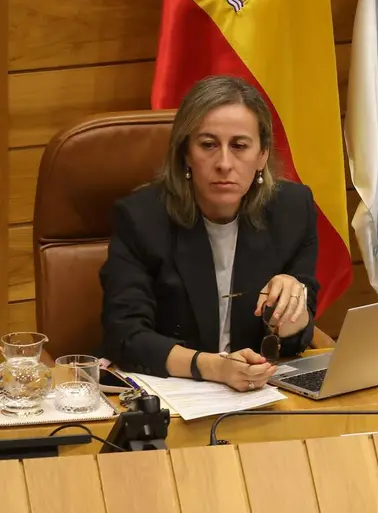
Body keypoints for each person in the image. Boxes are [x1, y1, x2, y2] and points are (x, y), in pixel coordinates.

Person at [100, 75, 319, 391]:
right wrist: (216, 368)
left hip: (260, 391)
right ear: (186, 153)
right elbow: (126, 336)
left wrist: (289, 304)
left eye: (240, 146)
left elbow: (300, 337)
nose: (224, 163)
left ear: (262, 155)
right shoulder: (141, 218)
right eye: (208, 145)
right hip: (169, 391)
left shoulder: (292, 211)